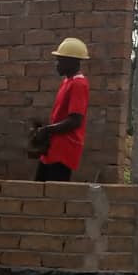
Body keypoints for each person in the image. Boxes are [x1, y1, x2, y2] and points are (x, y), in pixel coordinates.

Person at [31, 37, 90, 182]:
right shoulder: (67, 82)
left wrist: (47, 130)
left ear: (72, 62)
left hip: (64, 149)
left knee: (54, 192)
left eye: (60, 61)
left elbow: (75, 120)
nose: (57, 64)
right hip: (54, 147)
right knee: (39, 188)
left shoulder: (78, 84)